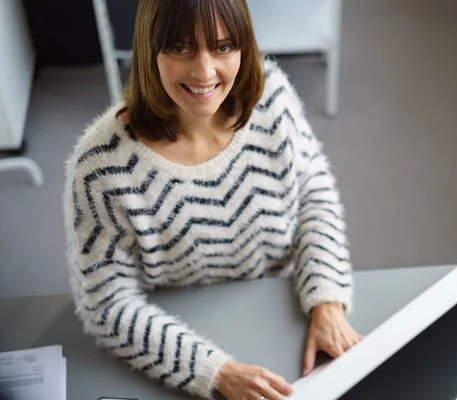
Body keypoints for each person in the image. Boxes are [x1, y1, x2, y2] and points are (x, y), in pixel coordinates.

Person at [63, 0, 361, 399]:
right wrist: (214, 372)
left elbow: (313, 191)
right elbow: (106, 304)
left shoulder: (272, 97)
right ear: (150, 48)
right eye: (181, 48)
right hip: (172, 322)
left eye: (222, 47)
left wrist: (326, 300)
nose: (204, 72)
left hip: (277, 303)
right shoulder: (101, 165)